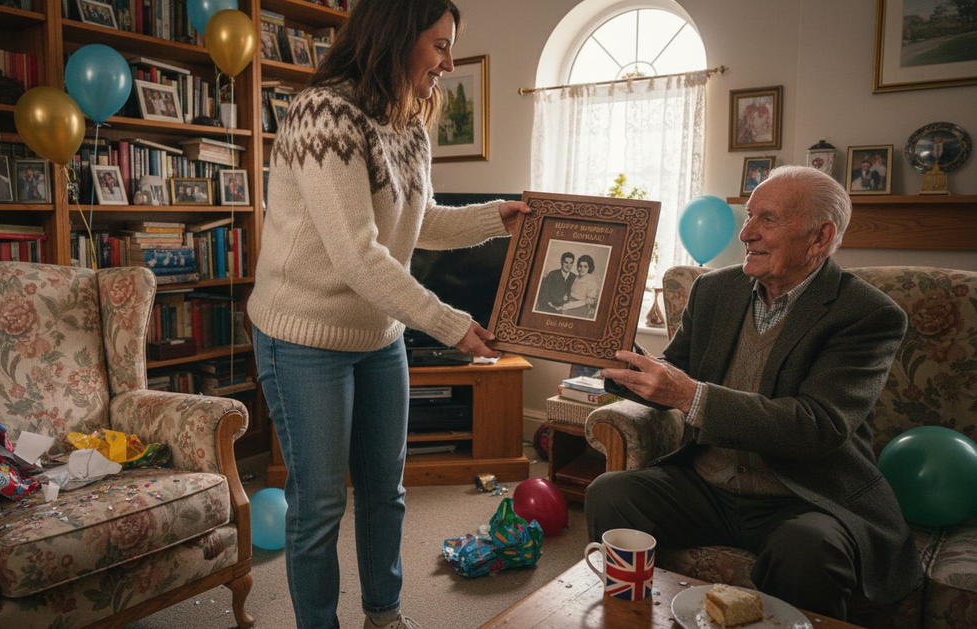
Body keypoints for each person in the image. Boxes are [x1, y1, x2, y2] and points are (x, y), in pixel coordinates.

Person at [246, 2, 530, 627]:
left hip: (380, 335)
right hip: (304, 335)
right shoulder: (324, 113)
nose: (448, 63)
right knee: (319, 505)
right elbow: (356, 254)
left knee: (385, 492)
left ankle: (385, 616)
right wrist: (452, 324)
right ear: (396, 37)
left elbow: (416, 221)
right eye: (438, 45)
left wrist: (494, 217)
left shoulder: (409, 124)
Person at [585, 165, 921, 622]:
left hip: (804, 495)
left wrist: (692, 396)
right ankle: (634, 618)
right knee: (611, 494)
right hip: (707, 485)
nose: (746, 233)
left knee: (806, 549)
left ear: (820, 236)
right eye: (747, 218)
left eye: (766, 219)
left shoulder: (866, 314)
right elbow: (676, 375)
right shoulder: (714, 290)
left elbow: (815, 425)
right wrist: (608, 350)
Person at [560, 254, 598, 318]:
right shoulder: (576, 277)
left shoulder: (591, 281)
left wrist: (568, 306)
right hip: (568, 305)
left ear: (589, 268)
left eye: (585, 267)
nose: (582, 269)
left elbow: (588, 301)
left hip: (580, 309)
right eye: (580, 266)